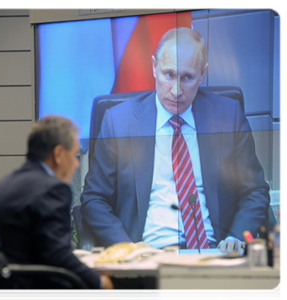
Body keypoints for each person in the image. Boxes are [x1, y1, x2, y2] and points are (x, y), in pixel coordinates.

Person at [81, 27, 270, 253]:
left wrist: (236, 238)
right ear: (154, 67)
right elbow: (94, 200)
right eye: (169, 75)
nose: (177, 90)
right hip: (146, 254)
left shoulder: (228, 116)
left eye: (187, 77)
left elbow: (255, 191)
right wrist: (127, 248)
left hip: (213, 253)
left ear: (203, 74)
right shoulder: (119, 121)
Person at [0, 116, 114, 300]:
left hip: (6, 288)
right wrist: (101, 283)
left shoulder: (5, 183)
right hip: (35, 290)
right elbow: (58, 256)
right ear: (58, 154)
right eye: (74, 155)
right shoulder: (52, 189)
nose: (77, 163)